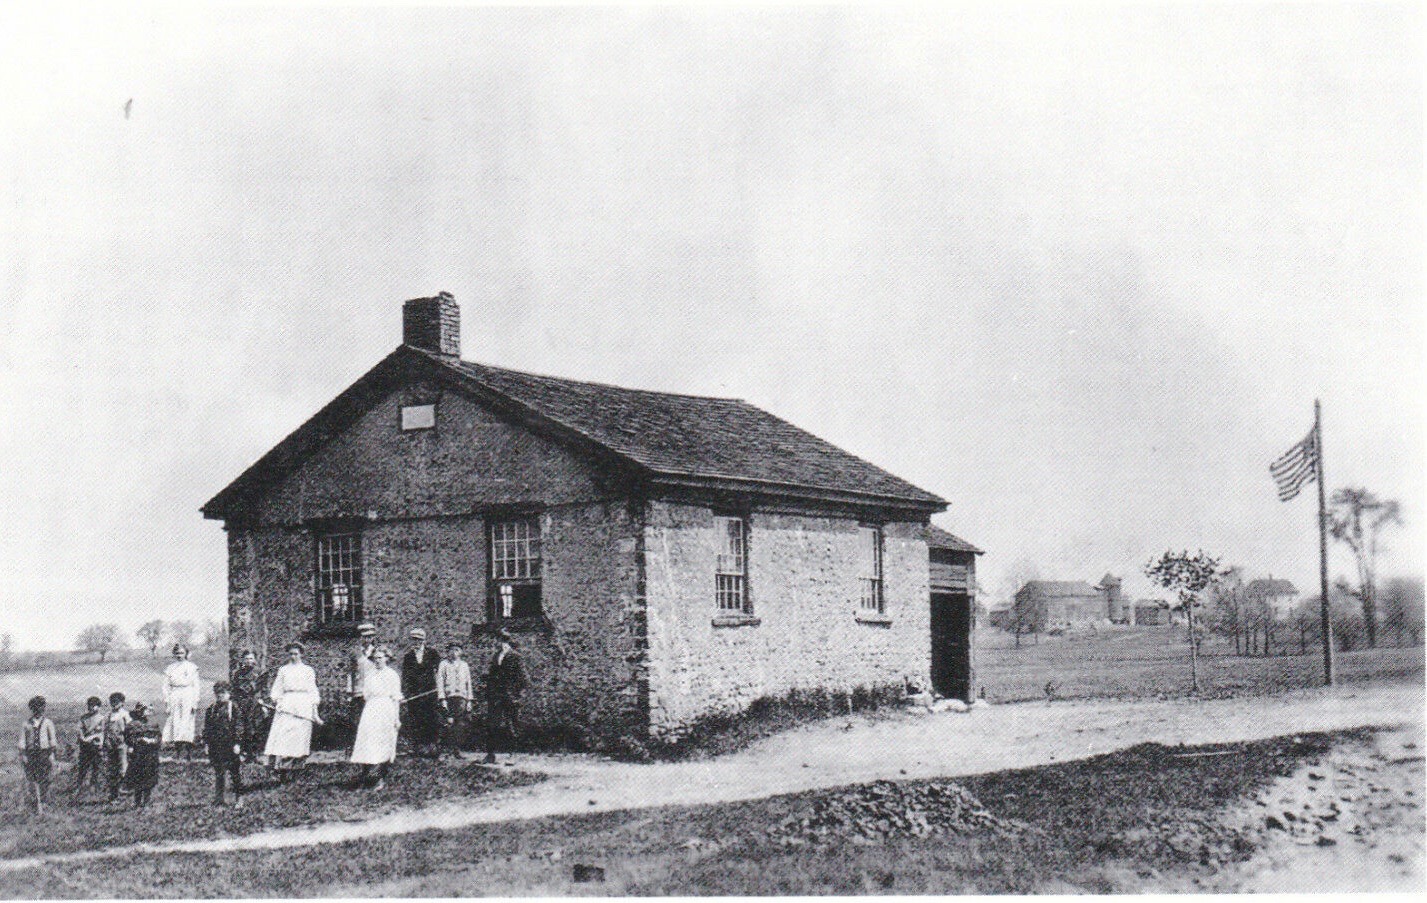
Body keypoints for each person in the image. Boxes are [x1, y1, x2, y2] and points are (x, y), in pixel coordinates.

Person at [264, 641, 322, 781]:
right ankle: (282, 770)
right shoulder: (283, 670)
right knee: (284, 737)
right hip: (288, 703)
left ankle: (296, 770)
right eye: (291, 654)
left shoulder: (308, 670)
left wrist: (315, 711)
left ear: (301, 654)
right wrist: (278, 701)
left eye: (296, 654)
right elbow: (277, 688)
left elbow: (313, 690)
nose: (293, 656)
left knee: (299, 738)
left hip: (303, 704)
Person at [350, 646, 402, 789]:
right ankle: (366, 775)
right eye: (375, 658)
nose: (377, 661)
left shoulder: (392, 675)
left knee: (383, 741)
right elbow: (366, 695)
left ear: (387, 658)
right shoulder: (370, 675)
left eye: (380, 657)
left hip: (386, 709)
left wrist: (396, 718)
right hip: (371, 709)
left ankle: (379, 777)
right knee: (367, 740)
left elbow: (396, 698)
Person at [483, 630, 526, 765]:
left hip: (510, 696)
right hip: (496, 695)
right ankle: (490, 755)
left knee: (511, 724)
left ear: (503, 641)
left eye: (497, 640)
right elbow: (492, 675)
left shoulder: (516, 657)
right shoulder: (496, 656)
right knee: (492, 724)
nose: (495, 643)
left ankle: (512, 755)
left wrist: (517, 695)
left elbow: (523, 678)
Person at [202, 681, 246, 807]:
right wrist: (206, 744)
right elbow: (207, 728)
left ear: (229, 693)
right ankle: (219, 798)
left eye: (223, 693)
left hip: (230, 745)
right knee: (219, 772)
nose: (220, 696)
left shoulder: (234, 708)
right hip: (216, 746)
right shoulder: (211, 709)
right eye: (218, 693)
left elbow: (239, 726)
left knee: (235, 772)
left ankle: (239, 798)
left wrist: (237, 743)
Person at [400, 628, 441, 758]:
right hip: (414, 695)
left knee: (430, 719)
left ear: (424, 641)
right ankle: (418, 747)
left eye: (419, 640)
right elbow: (405, 677)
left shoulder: (432, 653)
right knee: (416, 720)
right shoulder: (408, 657)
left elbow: (439, 672)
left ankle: (432, 747)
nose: (416, 642)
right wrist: (406, 694)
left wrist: (439, 688)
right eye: (414, 640)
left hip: (430, 693)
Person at [17, 695, 57, 814]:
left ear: (43, 708)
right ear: (32, 709)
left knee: (45, 778)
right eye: (35, 708)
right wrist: (23, 754)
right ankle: (36, 802)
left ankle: (44, 801)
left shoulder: (48, 723)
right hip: (31, 754)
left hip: (45, 753)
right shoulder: (26, 724)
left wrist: (52, 754)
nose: (38, 710)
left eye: (40, 707)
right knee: (32, 779)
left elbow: (52, 740)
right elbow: (22, 740)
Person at [161, 644, 202, 760]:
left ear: (186, 654)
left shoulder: (192, 667)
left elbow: (196, 686)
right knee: (176, 723)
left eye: (182, 653)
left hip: (188, 694)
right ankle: (178, 752)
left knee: (187, 723)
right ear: (174, 654)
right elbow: (165, 686)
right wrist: (167, 701)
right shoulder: (170, 668)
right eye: (177, 653)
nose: (179, 655)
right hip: (175, 695)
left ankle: (188, 753)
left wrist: (195, 702)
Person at [123, 702, 161, 809]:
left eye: (149, 710)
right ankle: (137, 801)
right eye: (146, 710)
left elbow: (158, 737)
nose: (148, 712)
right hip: (138, 755)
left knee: (149, 779)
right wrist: (140, 740)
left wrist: (154, 741)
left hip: (151, 755)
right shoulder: (132, 725)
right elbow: (128, 739)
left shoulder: (154, 723)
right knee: (138, 779)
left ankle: (147, 801)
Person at [347, 623, 378, 750]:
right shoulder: (355, 653)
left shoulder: (377, 652)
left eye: (370, 637)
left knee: (373, 719)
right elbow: (351, 673)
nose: (367, 640)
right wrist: (350, 692)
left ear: (373, 638)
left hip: (373, 691)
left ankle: (374, 745)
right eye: (364, 637)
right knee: (358, 720)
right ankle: (360, 747)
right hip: (359, 691)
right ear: (361, 638)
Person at [230, 649, 266, 763]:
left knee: (255, 728)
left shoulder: (260, 672)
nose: (249, 661)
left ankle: (254, 754)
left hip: (255, 703)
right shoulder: (237, 673)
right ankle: (243, 753)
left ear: (255, 660)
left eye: (251, 658)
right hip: (241, 702)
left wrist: (263, 701)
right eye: (246, 659)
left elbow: (264, 689)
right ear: (242, 660)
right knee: (241, 727)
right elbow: (234, 689)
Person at [437, 642, 473, 754]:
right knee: (448, 722)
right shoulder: (444, 664)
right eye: (452, 650)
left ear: (461, 652)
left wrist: (469, 700)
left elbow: (468, 683)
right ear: (448, 652)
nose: (454, 652)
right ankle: (444, 750)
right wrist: (442, 699)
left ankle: (456, 750)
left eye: (457, 650)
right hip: (449, 698)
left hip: (461, 698)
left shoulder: (464, 665)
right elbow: (440, 682)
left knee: (460, 725)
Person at [71, 696, 105, 797]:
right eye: (90, 705)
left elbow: (101, 732)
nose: (92, 708)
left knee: (96, 767)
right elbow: (79, 730)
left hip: (95, 746)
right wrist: (82, 737)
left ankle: (93, 786)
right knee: (83, 767)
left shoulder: (102, 718)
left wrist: (92, 738)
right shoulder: (84, 718)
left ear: (98, 707)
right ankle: (79, 787)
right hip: (85, 746)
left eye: (94, 705)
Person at [102, 692, 131, 802]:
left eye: (116, 702)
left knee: (123, 769)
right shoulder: (108, 715)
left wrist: (129, 745)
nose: (114, 704)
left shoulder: (125, 715)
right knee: (111, 770)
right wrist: (105, 743)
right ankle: (113, 795)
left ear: (122, 703)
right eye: (112, 702)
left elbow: (129, 731)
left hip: (122, 745)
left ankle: (124, 790)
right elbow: (105, 730)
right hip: (110, 746)